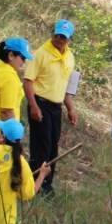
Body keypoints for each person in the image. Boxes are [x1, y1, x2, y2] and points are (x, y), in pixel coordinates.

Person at [24, 20, 77, 196]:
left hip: (56, 106)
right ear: (53, 34)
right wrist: (33, 106)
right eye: (57, 35)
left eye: (64, 37)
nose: (60, 39)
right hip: (40, 103)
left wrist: (70, 109)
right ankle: (34, 184)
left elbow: (67, 86)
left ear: (69, 39)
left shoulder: (70, 57)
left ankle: (47, 183)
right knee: (41, 145)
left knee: (53, 145)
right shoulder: (41, 53)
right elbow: (28, 81)